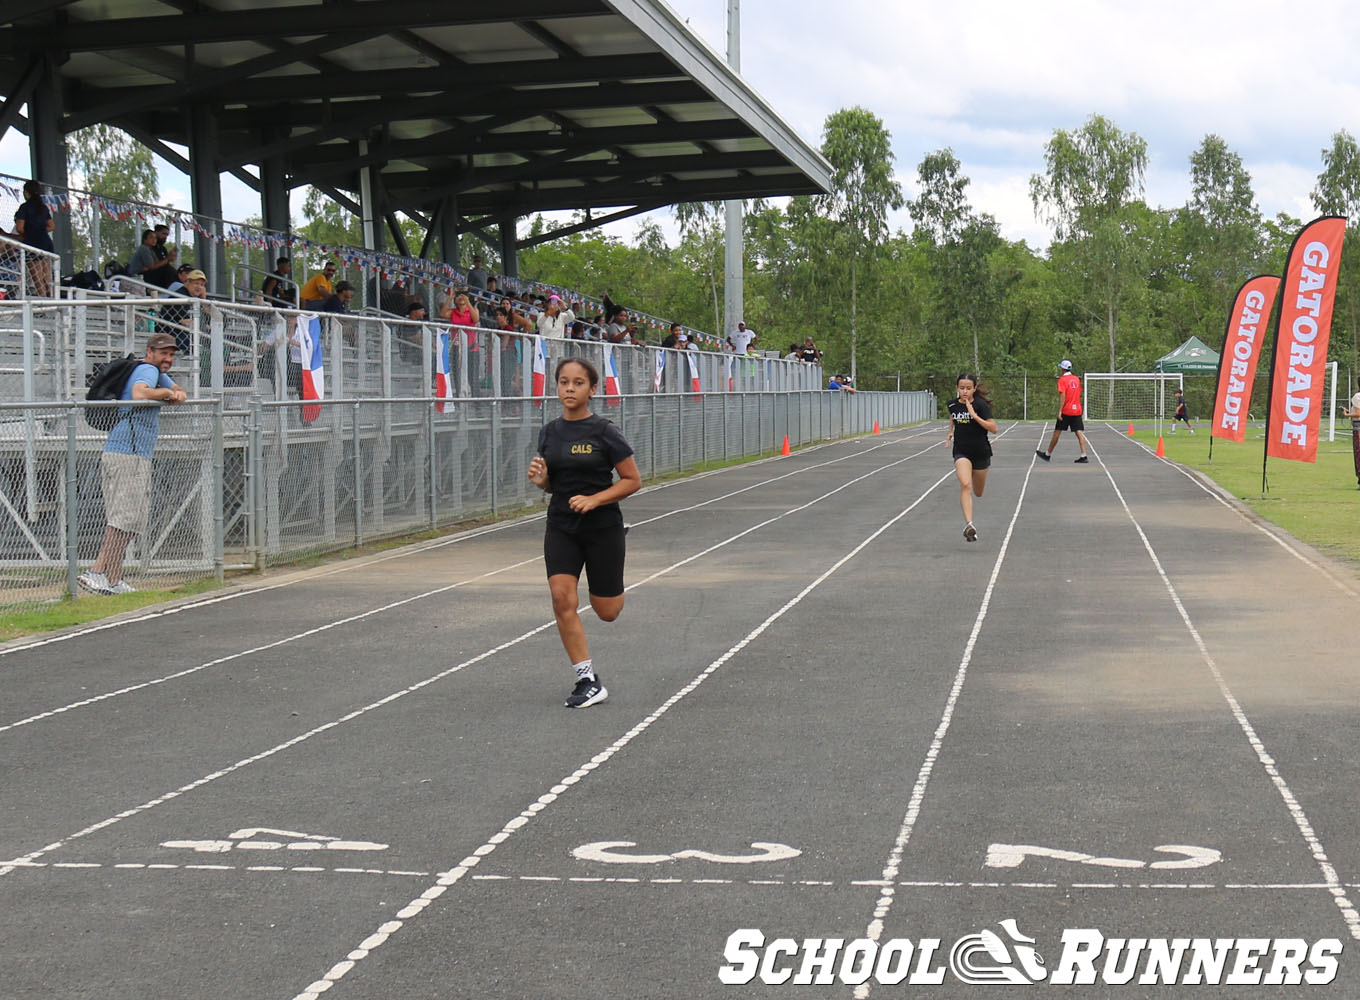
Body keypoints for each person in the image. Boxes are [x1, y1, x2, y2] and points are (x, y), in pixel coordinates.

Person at [527, 358, 642, 708]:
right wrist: (542, 481)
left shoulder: (604, 432)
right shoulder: (549, 432)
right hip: (561, 524)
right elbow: (552, 485)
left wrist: (595, 500)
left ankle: (616, 550)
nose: (569, 389)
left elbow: (632, 481)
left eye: (578, 383)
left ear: (592, 390)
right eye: (564, 382)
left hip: (602, 526)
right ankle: (586, 679)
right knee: (562, 598)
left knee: (607, 611)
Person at [79, 332, 187, 595]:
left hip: (133, 454)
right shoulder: (147, 370)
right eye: (163, 353)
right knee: (124, 519)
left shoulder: (156, 372)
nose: (168, 359)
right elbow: (140, 394)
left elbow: (178, 391)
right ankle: (95, 572)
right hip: (128, 452)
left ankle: (114, 580)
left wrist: (172, 392)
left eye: (171, 355)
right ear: (150, 352)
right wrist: (165, 393)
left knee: (131, 520)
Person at [946, 373, 998, 543]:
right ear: (957, 388)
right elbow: (953, 418)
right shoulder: (952, 405)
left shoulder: (981, 405)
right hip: (962, 451)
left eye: (968, 388)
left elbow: (994, 428)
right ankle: (969, 524)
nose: (965, 391)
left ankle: (970, 521)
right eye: (962, 388)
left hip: (981, 452)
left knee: (978, 491)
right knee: (965, 484)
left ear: (974, 389)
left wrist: (974, 416)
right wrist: (950, 432)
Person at [1036, 359, 1088, 463]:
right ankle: (1084, 455)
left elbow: (1063, 395)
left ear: (1063, 369)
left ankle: (1048, 454)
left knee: (1057, 432)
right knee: (1079, 432)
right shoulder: (1076, 379)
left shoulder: (1062, 380)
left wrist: (1060, 411)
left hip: (1067, 410)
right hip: (1076, 409)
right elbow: (1078, 393)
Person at [12, 180, 55, 297]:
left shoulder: (25, 207)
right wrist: (39, 230)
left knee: (37, 278)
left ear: (26, 192)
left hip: (32, 243)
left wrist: (30, 231)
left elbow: (20, 228)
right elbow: (51, 226)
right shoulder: (43, 207)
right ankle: (52, 300)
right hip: (46, 243)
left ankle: (44, 305)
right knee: (47, 278)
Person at [1343, 377, 1360, 490]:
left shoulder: (1357, 397)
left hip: (1358, 428)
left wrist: (1346, 414)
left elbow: (1358, 413)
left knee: (1358, 453)